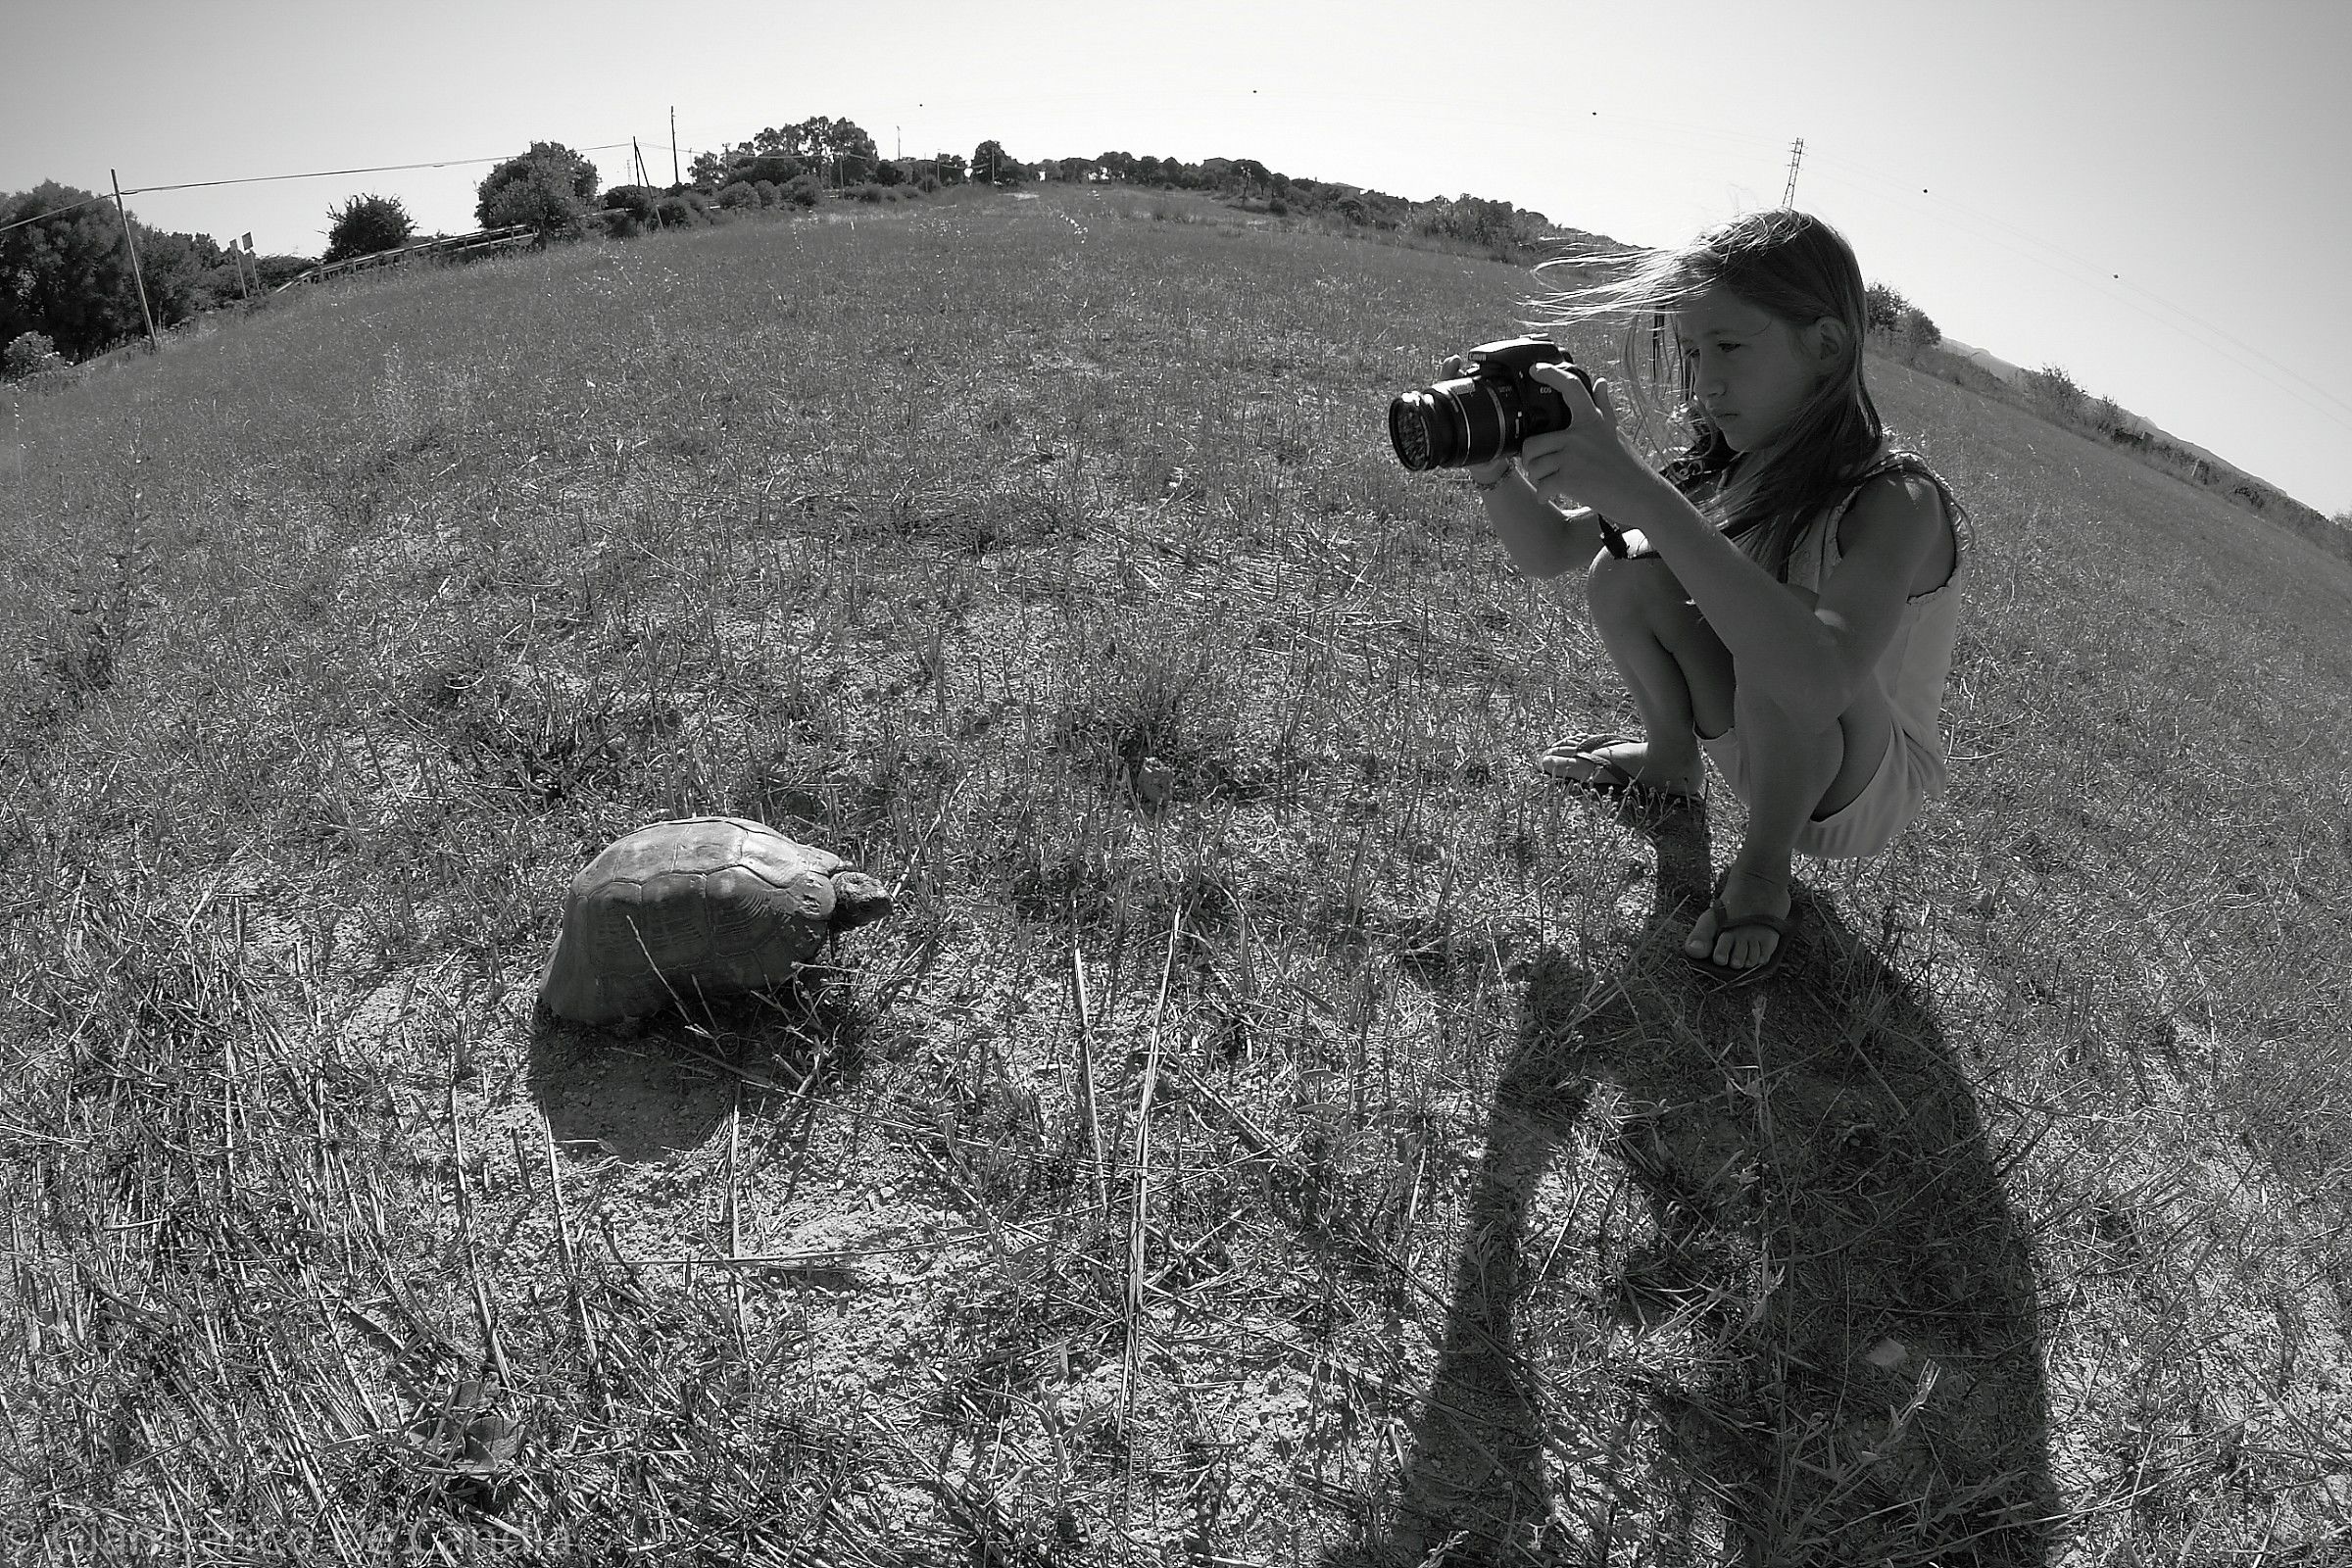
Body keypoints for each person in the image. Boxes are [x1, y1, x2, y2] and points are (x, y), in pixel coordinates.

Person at [1460, 209, 1969, 986]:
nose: (1706, 381)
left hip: (1866, 783)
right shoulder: (1726, 463)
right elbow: (1552, 550)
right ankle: (1672, 764)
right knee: (1627, 569)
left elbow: (1819, 676)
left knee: (1782, 622)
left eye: (1729, 347)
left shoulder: (1898, 498)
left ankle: (1763, 871)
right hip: (1773, 737)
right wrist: (1493, 465)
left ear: (1826, 347)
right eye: (1693, 352)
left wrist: (1643, 492)